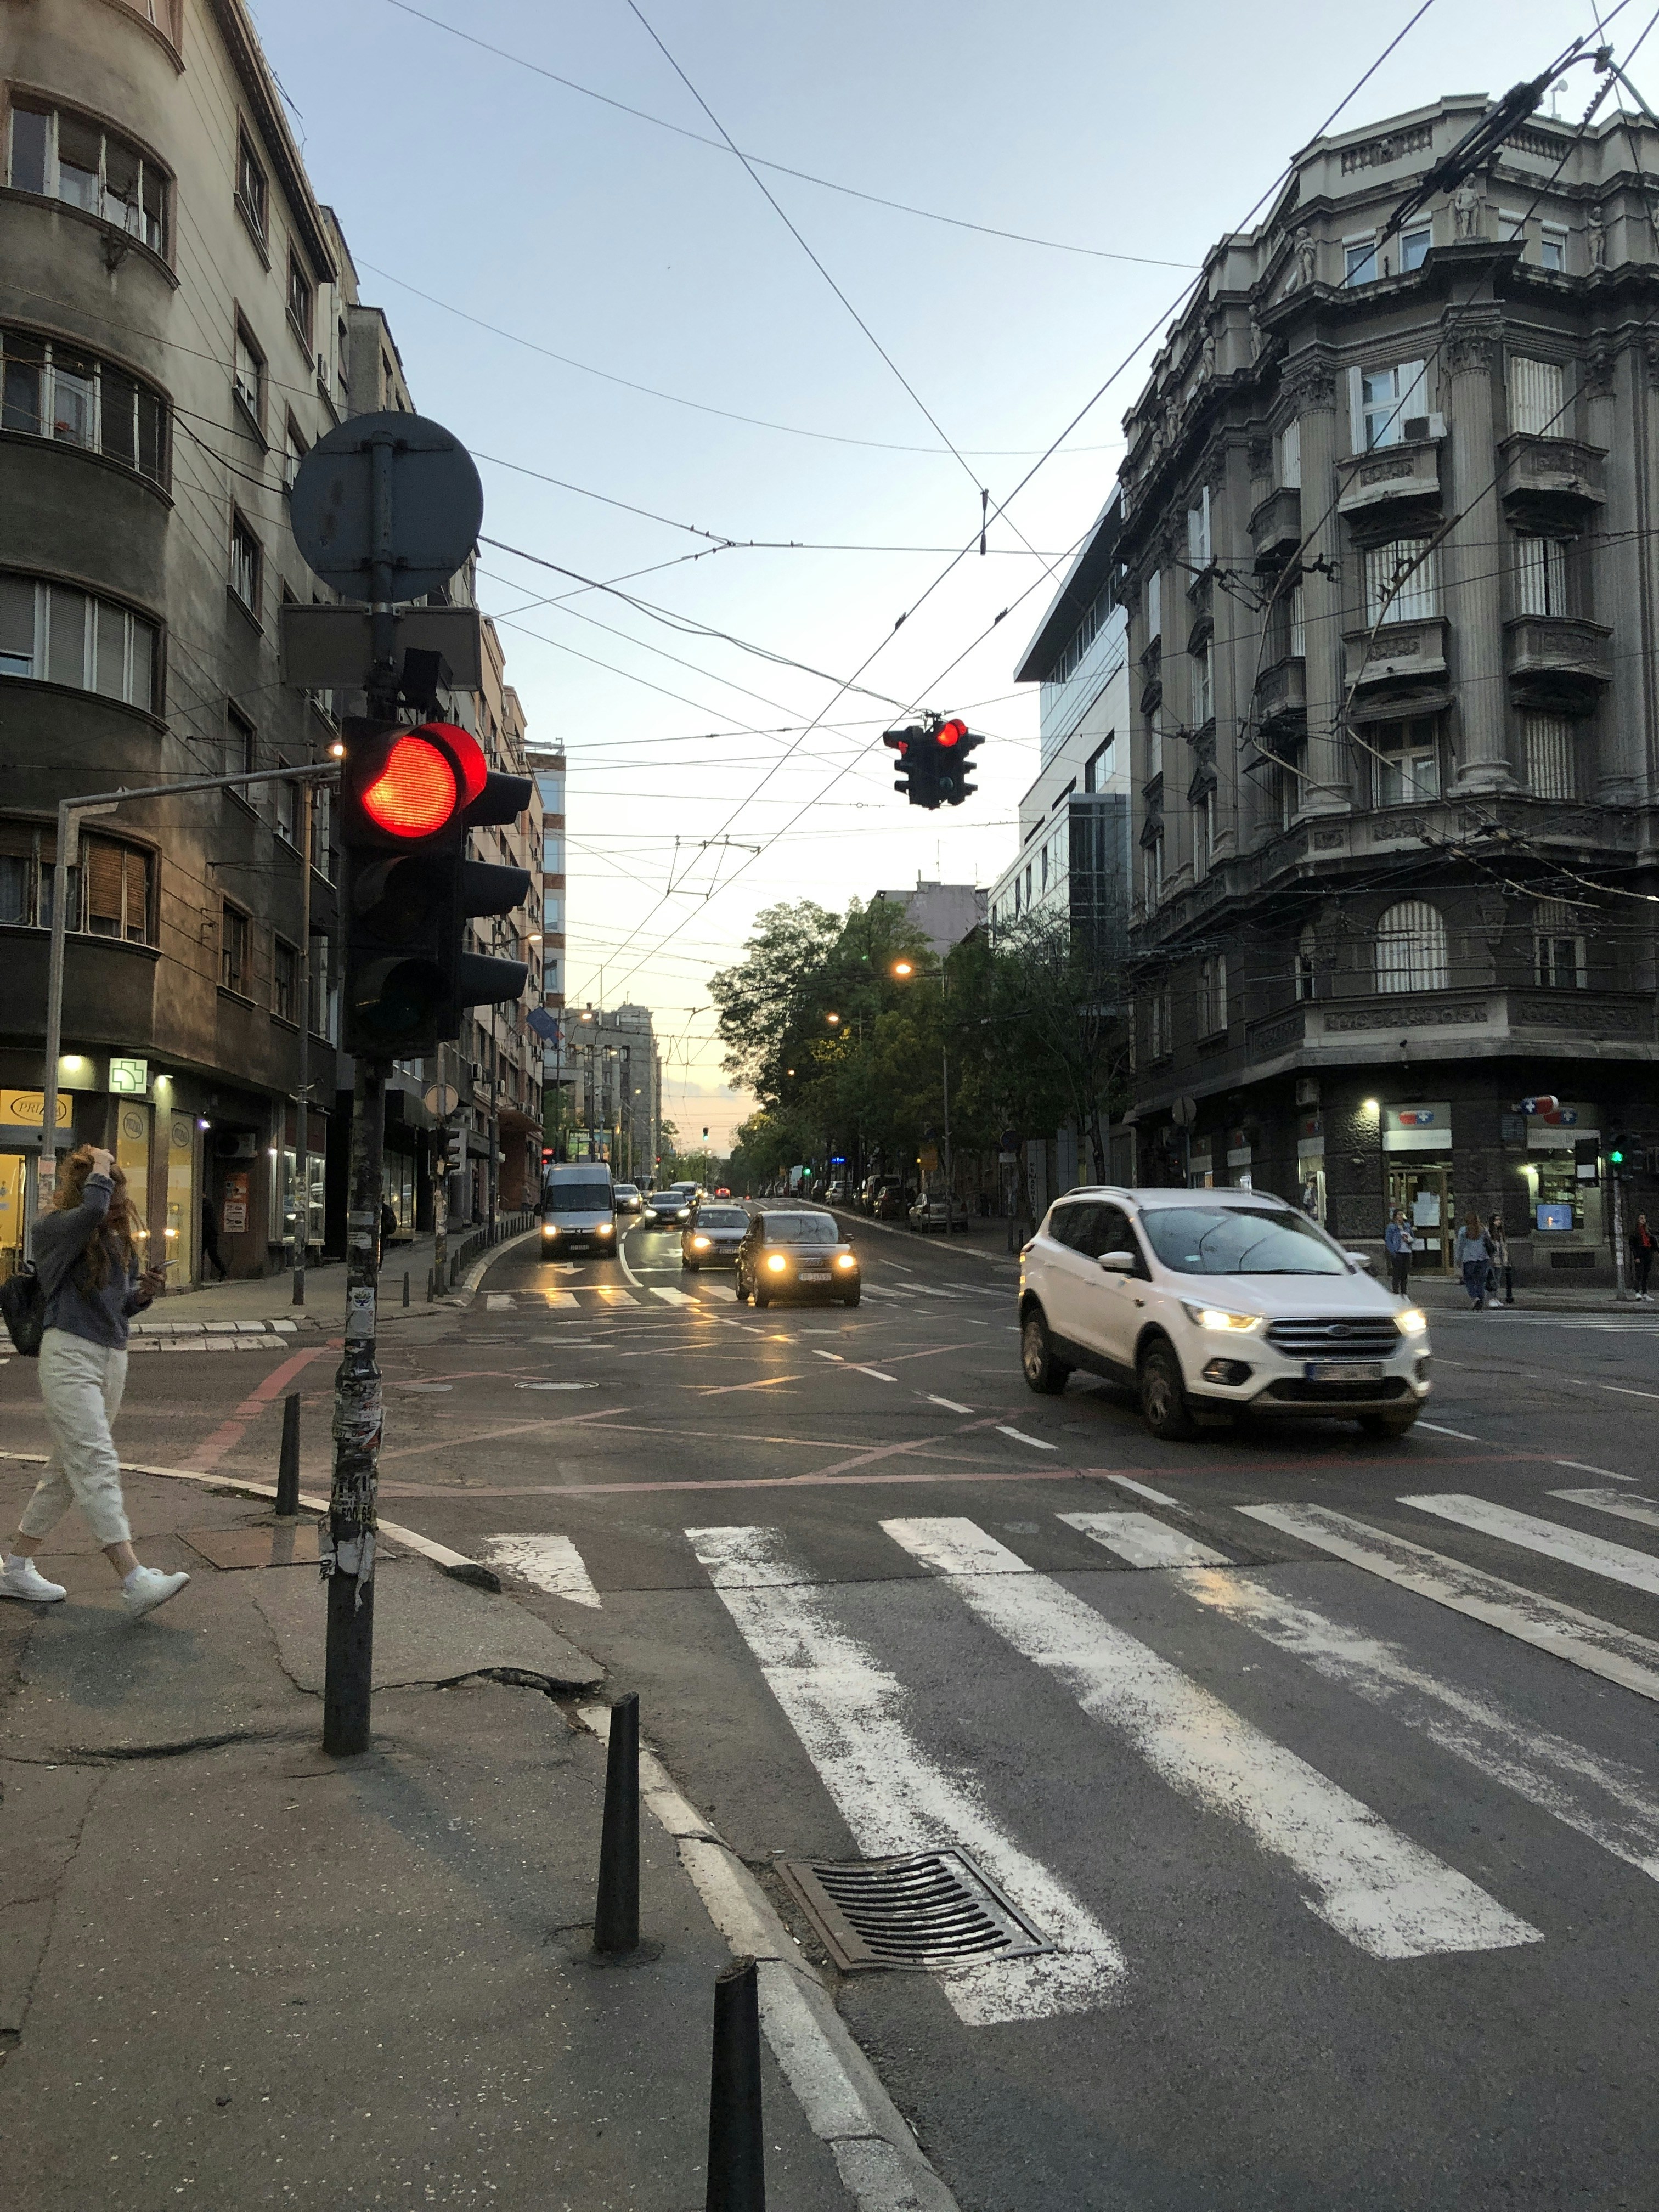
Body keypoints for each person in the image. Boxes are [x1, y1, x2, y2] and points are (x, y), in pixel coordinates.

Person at [0, 1146, 190, 1617]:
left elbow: (116, 1306)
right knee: (96, 1460)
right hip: (68, 1354)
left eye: (120, 1191)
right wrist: (101, 1166)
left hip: (111, 1356)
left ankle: (15, 1569)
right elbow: (91, 1210)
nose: (118, 1201)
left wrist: (140, 1297)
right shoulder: (54, 1230)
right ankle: (133, 1577)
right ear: (85, 1189)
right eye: (111, 1188)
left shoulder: (114, 1241)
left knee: (67, 1470)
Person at [1454, 1212, 1491, 1310]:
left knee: (1469, 1280)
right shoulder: (1484, 1230)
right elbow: (1489, 1242)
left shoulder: (1463, 1231)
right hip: (1483, 1258)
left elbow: (1460, 1246)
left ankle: (1475, 1297)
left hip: (1469, 1259)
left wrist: (1458, 1258)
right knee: (1480, 1282)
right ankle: (1481, 1301)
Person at [1486, 1213, 1513, 1307]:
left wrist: (1506, 1260)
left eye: (1500, 1220)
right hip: (1492, 1260)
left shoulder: (1501, 1234)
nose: (1499, 1222)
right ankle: (1491, 1299)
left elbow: (1504, 1247)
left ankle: (1495, 1297)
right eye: (1497, 1220)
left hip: (1500, 1260)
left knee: (1497, 1281)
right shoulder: (1489, 1233)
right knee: (1492, 1280)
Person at [1384, 1208, 1412, 1298]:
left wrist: (1409, 1240)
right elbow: (1388, 1240)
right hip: (1397, 1251)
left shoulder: (1407, 1226)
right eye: (1399, 1214)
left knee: (1405, 1273)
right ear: (1395, 1216)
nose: (1401, 1216)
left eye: (1402, 1214)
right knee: (1397, 1273)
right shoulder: (1392, 1227)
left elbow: (1412, 1237)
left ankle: (1404, 1292)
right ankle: (1396, 1292)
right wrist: (1393, 1251)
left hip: (1406, 1251)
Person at [199, 1191, 228, 1281]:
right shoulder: (207, 1203)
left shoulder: (206, 1204)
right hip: (209, 1233)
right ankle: (223, 1272)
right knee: (209, 1254)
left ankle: (223, 1271)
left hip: (209, 1234)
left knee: (211, 1254)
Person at [1632, 1213, 1657, 1300]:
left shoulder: (1648, 1231)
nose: (1643, 1220)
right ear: (1638, 1220)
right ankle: (1637, 1292)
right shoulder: (1635, 1232)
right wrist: (1636, 1257)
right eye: (1641, 1218)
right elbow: (1633, 1246)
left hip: (1648, 1253)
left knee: (1646, 1274)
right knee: (1639, 1274)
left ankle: (1645, 1293)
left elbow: (1653, 1241)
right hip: (1640, 1254)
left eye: (1644, 1218)